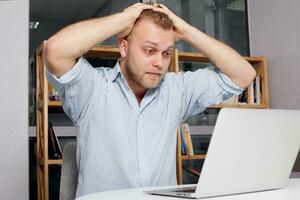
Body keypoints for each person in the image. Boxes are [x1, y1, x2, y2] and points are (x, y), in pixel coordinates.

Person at [45, 3, 256, 197]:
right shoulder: (92, 87)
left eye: (166, 53)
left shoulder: (177, 90)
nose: (159, 62)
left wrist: (186, 31)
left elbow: (244, 74)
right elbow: (55, 51)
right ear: (124, 48)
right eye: (149, 50)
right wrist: (124, 19)